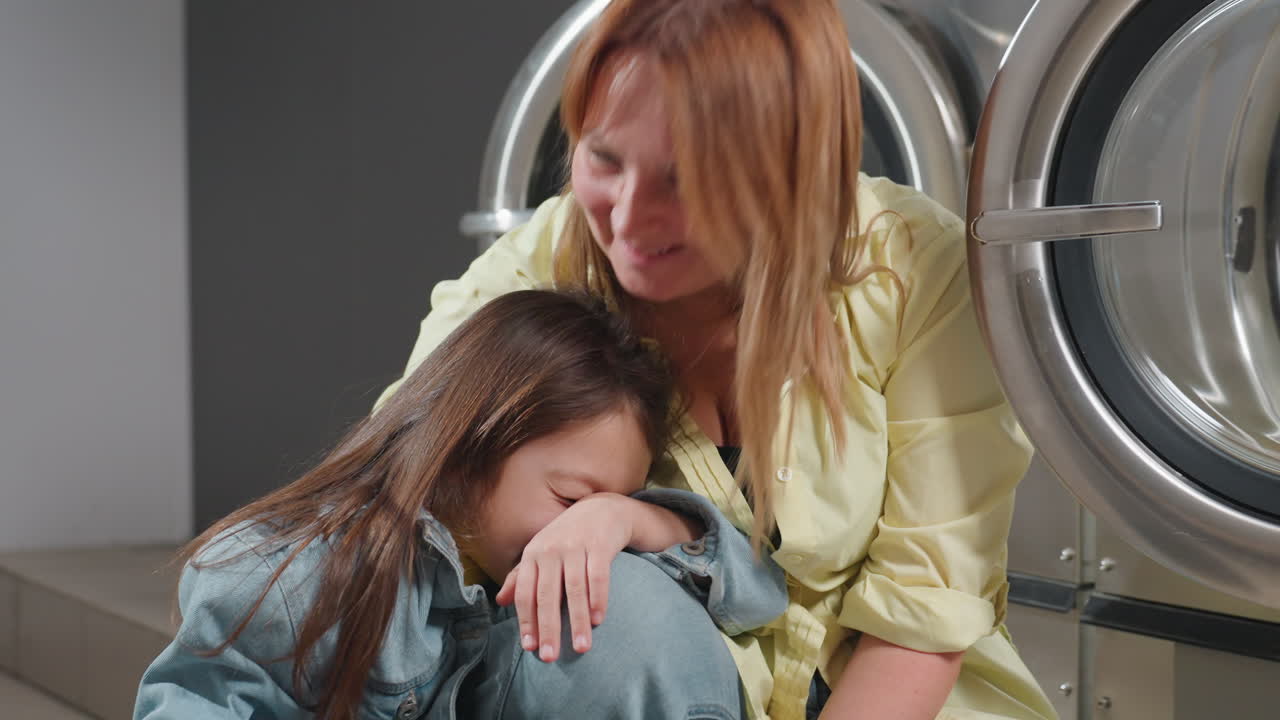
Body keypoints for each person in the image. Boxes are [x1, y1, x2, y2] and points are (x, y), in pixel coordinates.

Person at [375, 1, 1061, 719]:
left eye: (686, 180)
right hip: (647, 696)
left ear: (792, 170)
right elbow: (400, 502)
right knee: (618, 612)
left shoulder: (922, 274)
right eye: (604, 158)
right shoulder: (526, 281)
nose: (631, 221)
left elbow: (919, 623)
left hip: (911, 700)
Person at [133, 289, 788, 720]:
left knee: (646, 610)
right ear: (473, 448)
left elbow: (760, 592)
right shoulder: (296, 575)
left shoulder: (571, 552)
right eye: (571, 498)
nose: (581, 532)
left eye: (607, 506)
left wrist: (630, 518)